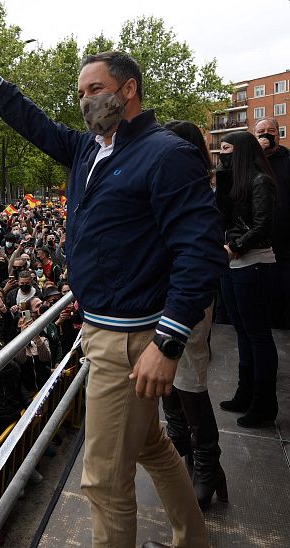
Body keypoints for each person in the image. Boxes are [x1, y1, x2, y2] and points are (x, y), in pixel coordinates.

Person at [0, 33, 225, 546]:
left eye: (95, 89)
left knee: (102, 482)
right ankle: (193, 539)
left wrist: (168, 341)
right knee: (152, 447)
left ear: (129, 90)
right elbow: (34, 123)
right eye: (80, 93)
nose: (85, 101)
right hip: (104, 329)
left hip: (131, 340)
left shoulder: (165, 154)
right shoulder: (87, 149)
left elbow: (201, 251)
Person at [160, 120, 227, 509]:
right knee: (168, 378)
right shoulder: (167, 188)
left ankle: (206, 462)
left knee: (188, 376)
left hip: (187, 297)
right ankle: (183, 449)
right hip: (161, 294)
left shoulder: (197, 194)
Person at [216, 131, 279, 428]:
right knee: (242, 331)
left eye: (226, 148)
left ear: (240, 151)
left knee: (258, 334)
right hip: (232, 265)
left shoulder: (260, 181)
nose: (222, 154)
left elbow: (263, 225)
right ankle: (246, 393)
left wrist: (235, 247)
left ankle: (264, 404)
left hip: (254, 264)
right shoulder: (233, 183)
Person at [254, 117, 290, 329]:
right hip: (257, 243)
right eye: (260, 132)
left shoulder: (287, 159)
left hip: (285, 243)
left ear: (278, 134)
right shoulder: (250, 161)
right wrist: (256, 153)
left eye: (271, 131)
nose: (266, 134)